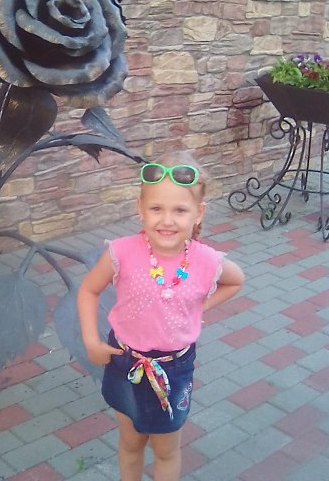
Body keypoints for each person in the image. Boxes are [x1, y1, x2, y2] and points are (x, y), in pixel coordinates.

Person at [77, 153, 244, 481]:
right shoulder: (121, 252)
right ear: (140, 208)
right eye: (156, 208)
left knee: (166, 450)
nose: (167, 220)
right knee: (130, 443)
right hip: (124, 361)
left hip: (174, 369)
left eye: (179, 210)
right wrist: (90, 341)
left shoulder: (208, 260)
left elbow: (236, 281)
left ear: (198, 213)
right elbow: (88, 290)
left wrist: (200, 307)